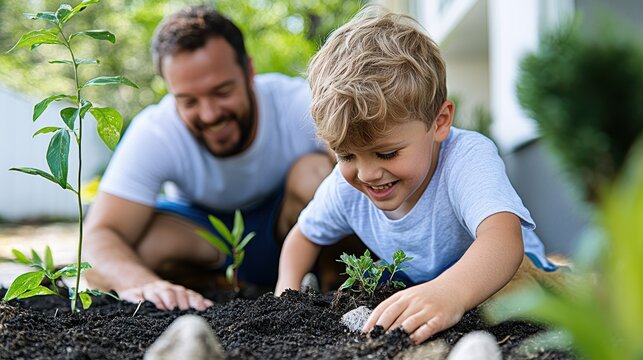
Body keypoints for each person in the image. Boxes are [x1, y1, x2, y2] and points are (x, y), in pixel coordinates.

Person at [274, 8, 559, 344]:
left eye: (387, 153)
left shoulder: (466, 158)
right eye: (347, 155)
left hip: (522, 278)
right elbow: (303, 237)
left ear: (440, 122)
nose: (366, 174)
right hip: (434, 289)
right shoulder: (344, 185)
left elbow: (503, 241)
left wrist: (450, 292)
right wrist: (285, 300)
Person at [83, 6, 336, 311]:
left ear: (249, 71)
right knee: (120, 257)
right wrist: (146, 285)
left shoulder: (296, 102)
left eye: (222, 91)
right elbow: (100, 235)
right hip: (206, 243)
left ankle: (334, 285)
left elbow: (363, 170)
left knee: (317, 175)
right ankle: (220, 289)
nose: (209, 114)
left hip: (294, 230)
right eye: (188, 100)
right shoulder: (156, 130)